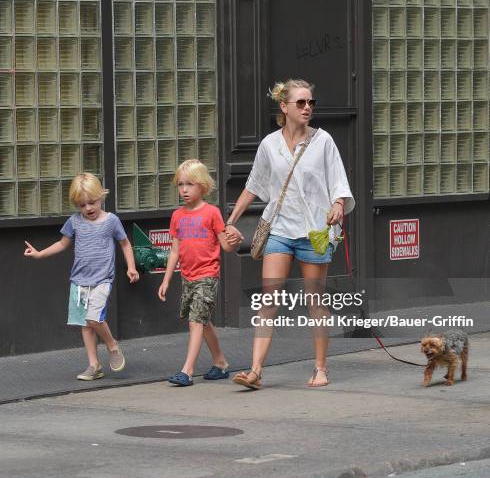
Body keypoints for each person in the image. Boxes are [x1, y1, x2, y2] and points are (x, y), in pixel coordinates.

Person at [225, 79, 355, 389]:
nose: (307, 107)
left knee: (314, 300)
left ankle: (320, 368)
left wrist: (338, 203)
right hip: (280, 228)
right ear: (284, 107)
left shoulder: (323, 141)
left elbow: (338, 180)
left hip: (314, 231)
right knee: (270, 297)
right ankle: (255, 370)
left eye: (311, 102)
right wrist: (229, 221)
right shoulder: (269, 144)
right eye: (301, 103)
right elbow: (254, 185)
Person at [24, 172, 139, 381]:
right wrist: (40, 254)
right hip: (79, 281)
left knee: (94, 318)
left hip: (102, 279)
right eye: (82, 205)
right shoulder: (74, 222)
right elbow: (62, 243)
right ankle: (94, 365)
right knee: (85, 325)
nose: (88, 208)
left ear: (101, 196)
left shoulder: (111, 221)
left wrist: (131, 267)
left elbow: (124, 243)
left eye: (92, 202)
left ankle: (112, 345)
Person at [158, 159, 242, 386]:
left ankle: (187, 371)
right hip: (187, 276)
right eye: (181, 184)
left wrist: (235, 240)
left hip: (207, 275)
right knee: (203, 322)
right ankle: (221, 363)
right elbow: (174, 250)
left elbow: (226, 246)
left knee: (196, 321)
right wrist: (166, 279)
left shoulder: (212, 213)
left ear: (203, 186)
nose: (184, 189)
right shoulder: (177, 216)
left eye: (190, 184)